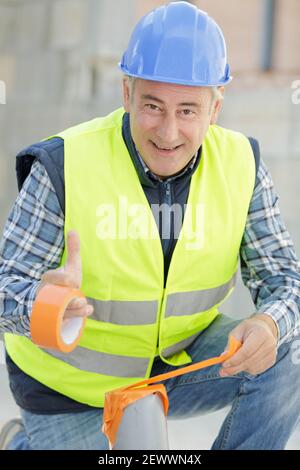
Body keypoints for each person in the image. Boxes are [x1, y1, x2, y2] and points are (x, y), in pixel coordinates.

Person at [0, 1, 300, 451]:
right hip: (70, 388)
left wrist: (270, 325)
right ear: (127, 93)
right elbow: (7, 283)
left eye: (188, 111)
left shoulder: (242, 165)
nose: (168, 131)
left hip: (175, 363)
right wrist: (46, 304)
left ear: (215, 107)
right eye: (153, 106)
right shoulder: (65, 163)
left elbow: (285, 277)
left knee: (288, 352)